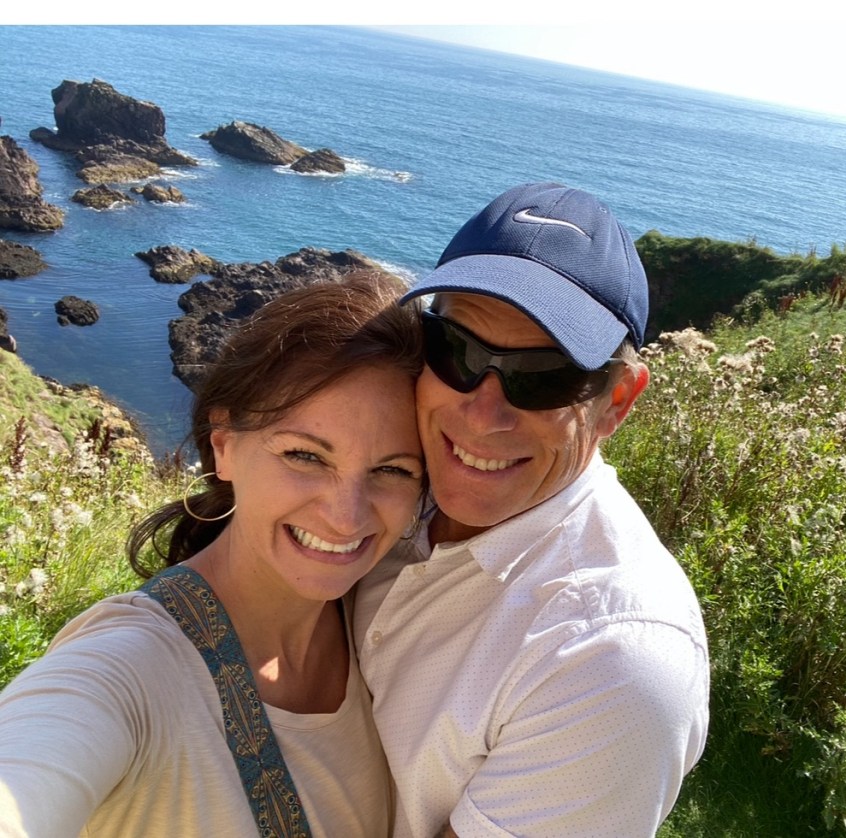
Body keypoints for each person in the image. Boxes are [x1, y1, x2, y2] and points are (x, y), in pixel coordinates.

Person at [0, 273, 425, 837]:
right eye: (304, 456)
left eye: (392, 469)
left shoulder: (394, 617)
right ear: (223, 446)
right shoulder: (130, 665)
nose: (346, 517)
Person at [354, 182, 710, 838]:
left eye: (544, 376)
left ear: (617, 402)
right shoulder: (379, 476)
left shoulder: (610, 659)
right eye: (455, 350)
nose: (483, 415)